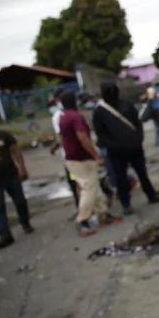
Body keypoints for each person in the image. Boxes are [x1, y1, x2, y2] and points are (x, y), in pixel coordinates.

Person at [93, 82, 159, 215]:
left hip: (134, 147)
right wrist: (114, 145)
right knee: (121, 178)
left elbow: (137, 123)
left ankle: (151, 196)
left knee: (142, 173)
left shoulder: (126, 105)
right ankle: (126, 204)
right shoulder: (100, 111)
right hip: (116, 152)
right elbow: (101, 134)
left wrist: (138, 139)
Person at [59, 91, 120, 236]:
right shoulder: (76, 117)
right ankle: (83, 220)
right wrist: (96, 155)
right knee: (89, 187)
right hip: (82, 158)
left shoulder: (63, 117)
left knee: (94, 186)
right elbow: (82, 137)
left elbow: (62, 137)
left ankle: (103, 214)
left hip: (71, 158)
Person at [0, 121, 34, 249]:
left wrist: (22, 168)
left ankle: (25, 222)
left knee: (20, 201)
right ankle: (5, 235)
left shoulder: (3, 135)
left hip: (10, 175)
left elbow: (16, 151)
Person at [48, 92, 80, 209]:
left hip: (70, 157)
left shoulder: (57, 117)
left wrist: (55, 147)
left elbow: (61, 137)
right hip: (78, 154)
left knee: (75, 182)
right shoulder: (74, 113)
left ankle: (82, 208)